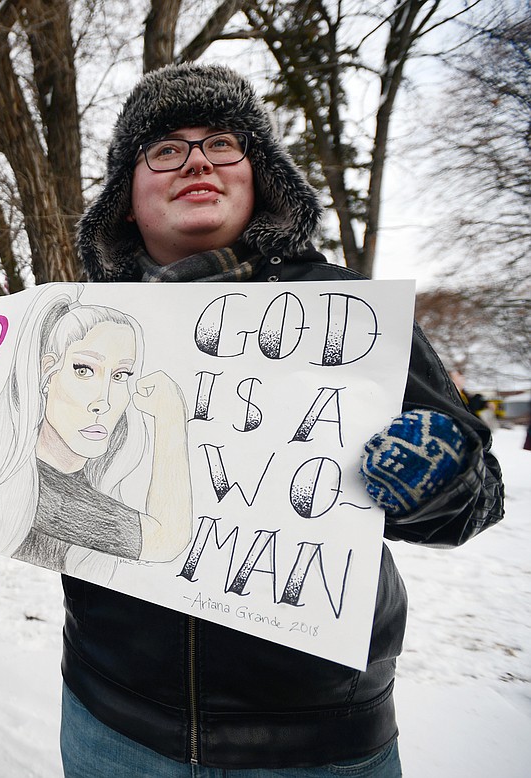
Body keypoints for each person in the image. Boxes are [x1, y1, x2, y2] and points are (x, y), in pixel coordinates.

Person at [52, 62, 505, 775]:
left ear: (259, 176)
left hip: (315, 745)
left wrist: (445, 480)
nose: (197, 159)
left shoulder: (353, 315)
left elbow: (476, 502)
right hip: (109, 722)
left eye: (223, 142)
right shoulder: (79, 331)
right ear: (127, 199)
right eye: (165, 147)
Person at [0, 283, 191, 576]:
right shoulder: (24, 487)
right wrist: (171, 419)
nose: (103, 401)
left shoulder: (90, 478)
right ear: (46, 372)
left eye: (120, 375)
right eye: (84, 370)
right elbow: (167, 540)